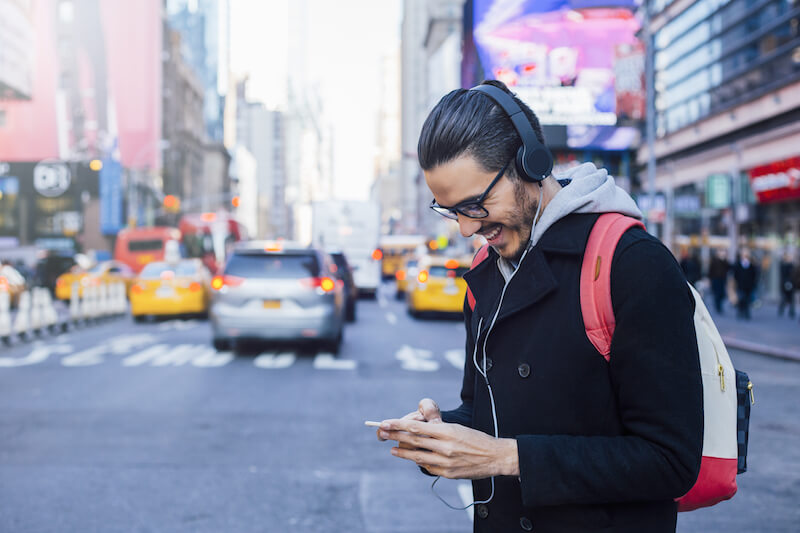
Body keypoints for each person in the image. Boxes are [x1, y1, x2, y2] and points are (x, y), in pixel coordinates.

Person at [376, 80, 702, 532]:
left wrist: (508, 458)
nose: (468, 228)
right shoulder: (485, 272)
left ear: (530, 164)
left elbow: (671, 461)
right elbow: (486, 411)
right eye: (451, 210)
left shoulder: (632, 263)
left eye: (476, 204)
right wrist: (442, 434)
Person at [732, 247, 758, 320]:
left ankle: (746, 312)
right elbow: (735, 274)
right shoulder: (738, 264)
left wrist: (753, 284)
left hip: (749, 286)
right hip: (740, 285)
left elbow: (754, 275)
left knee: (747, 299)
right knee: (741, 298)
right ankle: (740, 311)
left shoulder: (752, 265)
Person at [708, 248, 730, 314]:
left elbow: (728, 267)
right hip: (715, 279)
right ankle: (718, 307)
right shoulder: (714, 261)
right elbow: (710, 270)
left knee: (721, 294)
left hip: (722, 279)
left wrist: (724, 260)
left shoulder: (724, 261)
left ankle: (719, 306)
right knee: (717, 294)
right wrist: (710, 279)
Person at [778, 251, 796, 318]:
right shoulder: (783, 265)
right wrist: (786, 282)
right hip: (784, 284)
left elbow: (794, 275)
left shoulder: (792, 265)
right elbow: (783, 275)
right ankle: (781, 310)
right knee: (784, 298)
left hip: (792, 284)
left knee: (791, 299)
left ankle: (791, 311)